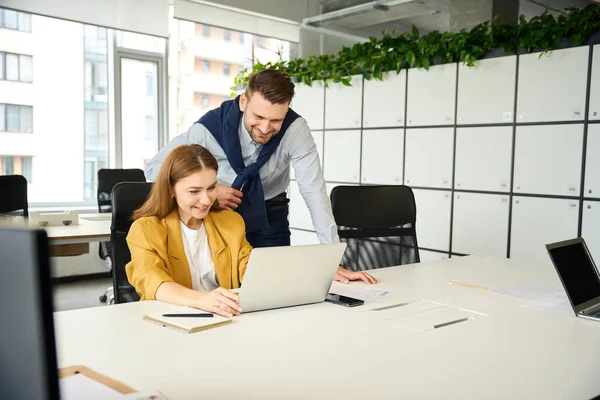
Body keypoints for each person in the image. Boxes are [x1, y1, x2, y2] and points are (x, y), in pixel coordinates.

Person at [145, 69, 376, 284]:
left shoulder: (295, 130)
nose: (265, 128)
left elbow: (314, 191)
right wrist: (214, 192)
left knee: (274, 286)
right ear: (243, 101)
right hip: (219, 214)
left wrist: (331, 259)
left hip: (270, 214)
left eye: (276, 120)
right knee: (228, 285)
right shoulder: (207, 130)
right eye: (258, 117)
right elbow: (154, 169)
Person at [126, 144, 246, 318]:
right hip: (170, 319)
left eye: (211, 188)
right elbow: (153, 281)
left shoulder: (231, 222)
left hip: (225, 318)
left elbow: (249, 266)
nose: (206, 200)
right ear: (170, 189)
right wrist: (203, 300)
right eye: (194, 191)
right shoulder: (146, 229)